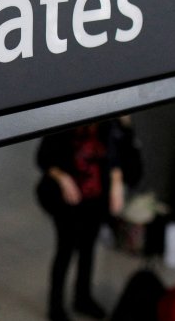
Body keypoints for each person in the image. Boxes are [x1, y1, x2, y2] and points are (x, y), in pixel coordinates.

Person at [36, 121, 128, 321]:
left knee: (88, 250)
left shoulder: (110, 125)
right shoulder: (65, 122)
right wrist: (62, 178)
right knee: (65, 250)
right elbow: (43, 158)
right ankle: (56, 306)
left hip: (95, 199)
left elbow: (118, 157)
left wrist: (116, 184)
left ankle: (83, 298)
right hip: (67, 200)